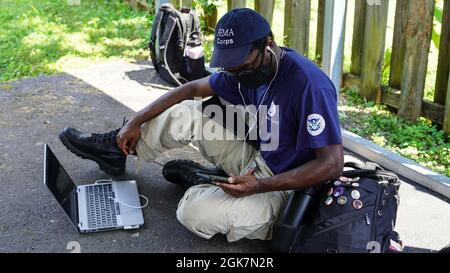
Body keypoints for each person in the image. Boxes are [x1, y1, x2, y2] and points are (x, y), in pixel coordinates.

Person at [59, 8, 344, 242]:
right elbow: (191, 89)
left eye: (242, 67)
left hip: (288, 191)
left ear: (268, 43)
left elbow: (331, 165)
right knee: (188, 112)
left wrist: (259, 186)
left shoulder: (309, 86)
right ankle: (116, 150)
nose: (237, 76)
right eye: (230, 69)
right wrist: (135, 121)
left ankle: (206, 183)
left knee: (193, 212)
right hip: (260, 158)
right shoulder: (246, 69)